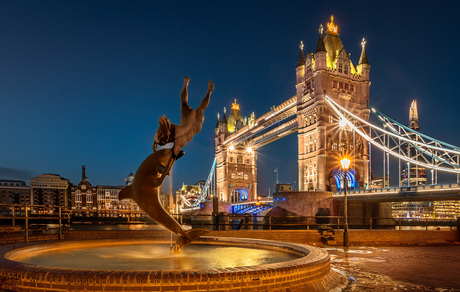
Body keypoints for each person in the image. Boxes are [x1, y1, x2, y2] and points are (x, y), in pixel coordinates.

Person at [152, 76, 213, 187]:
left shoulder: (179, 140)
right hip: (189, 121)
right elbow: (160, 133)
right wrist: (155, 145)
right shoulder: (172, 129)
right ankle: (205, 90)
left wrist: (161, 180)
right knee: (195, 107)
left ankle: (206, 90)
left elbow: (170, 163)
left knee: (196, 108)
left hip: (194, 125)